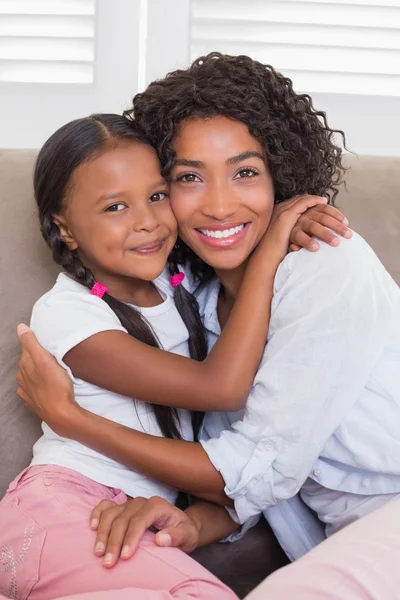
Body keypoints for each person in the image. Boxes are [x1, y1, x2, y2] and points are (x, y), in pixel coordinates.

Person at [16, 53, 400, 568]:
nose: (219, 206)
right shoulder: (192, 303)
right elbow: (238, 456)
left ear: (280, 176)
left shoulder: (324, 261)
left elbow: (263, 465)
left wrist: (69, 417)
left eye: (245, 172)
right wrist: (193, 522)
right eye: (189, 178)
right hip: (343, 543)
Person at [0, 110, 340, 600]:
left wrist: (286, 227)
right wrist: (269, 254)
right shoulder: (67, 315)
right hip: (61, 511)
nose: (147, 222)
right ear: (66, 228)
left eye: (157, 196)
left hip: (131, 518)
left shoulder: (179, 283)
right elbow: (219, 389)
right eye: (115, 207)